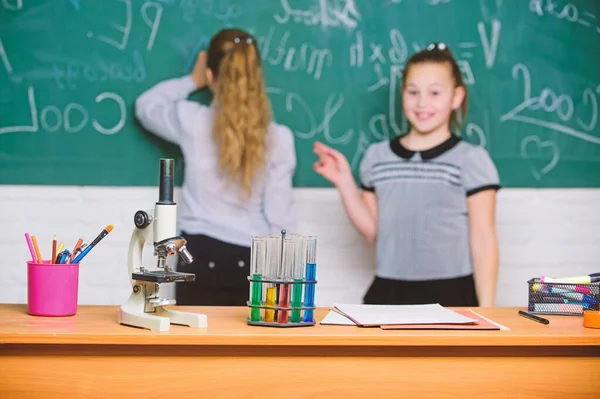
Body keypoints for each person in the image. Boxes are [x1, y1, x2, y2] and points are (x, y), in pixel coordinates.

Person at [313, 43, 500, 307]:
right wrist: (344, 181)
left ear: (456, 97)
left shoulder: (471, 160)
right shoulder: (377, 157)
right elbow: (371, 230)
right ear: (402, 94)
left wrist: (488, 310)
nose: (422, 103)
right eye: (413, 92)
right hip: (388, 294)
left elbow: (484, 240)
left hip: (452, 295)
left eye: (435, 93)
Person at [135, 28, 297, 306]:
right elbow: (278, 219)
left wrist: (192, 79)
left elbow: (146, 105)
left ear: (211, 76)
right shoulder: (278, 138)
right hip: (252, 261)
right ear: (256, 78)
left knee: (197, 347)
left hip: (198, 255)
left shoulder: (193, 122)